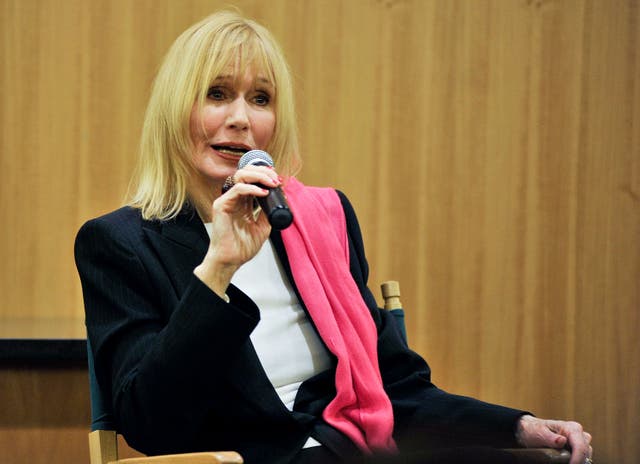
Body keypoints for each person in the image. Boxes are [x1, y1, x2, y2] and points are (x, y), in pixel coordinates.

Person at [74, 10, 593, 464]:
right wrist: (218, 270)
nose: (240, 119)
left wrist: (518, 427)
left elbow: (396, 390)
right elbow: (151, 426)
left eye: (260, 98)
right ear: (173, 111)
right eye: (217, 94)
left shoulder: (319, 219)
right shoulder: (119, 243)